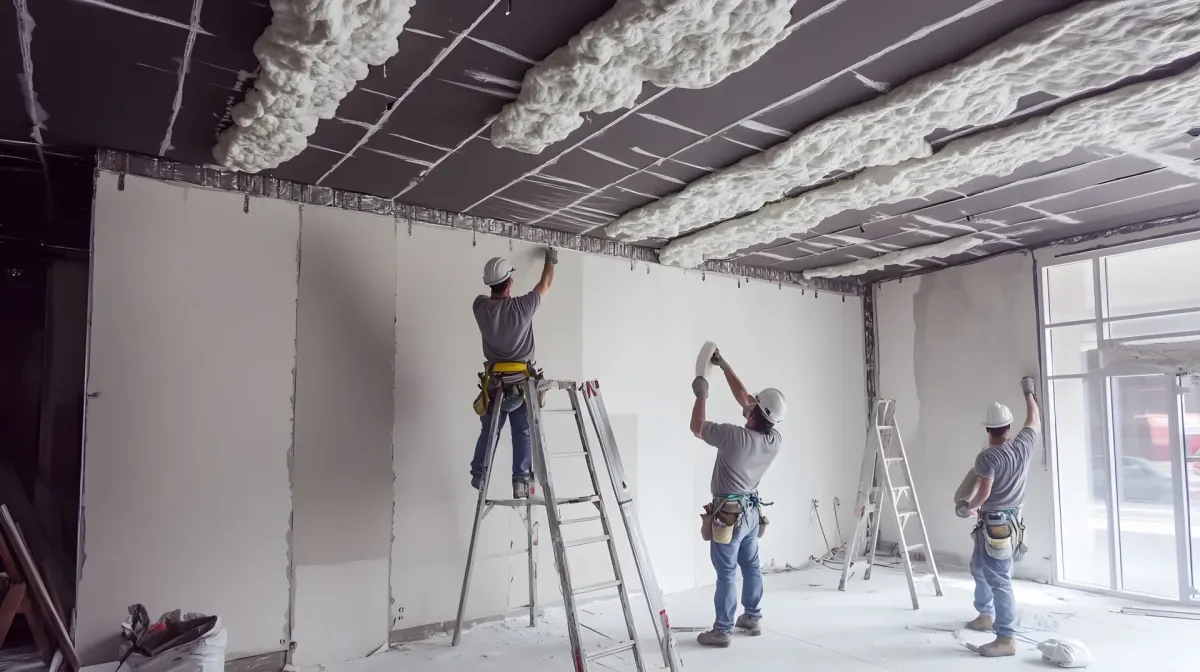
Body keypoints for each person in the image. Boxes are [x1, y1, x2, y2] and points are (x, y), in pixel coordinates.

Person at [689, 348, 787, 648]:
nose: (748, 405)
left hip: (728, 515)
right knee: (751, 565)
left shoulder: (734, 436)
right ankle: (752, 616)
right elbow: (747, 399)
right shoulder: (773, 439)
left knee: (726, 572)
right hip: (750, 512)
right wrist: (725, 367)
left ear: (755, 414)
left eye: (753, 406)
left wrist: (701, 394)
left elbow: (697, 427)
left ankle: (722, 630)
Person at [955, 376, 1040, 658]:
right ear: (1008, 426)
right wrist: (1029, 393)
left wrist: (968, 506)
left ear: (988, 429)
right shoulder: (1023, 444)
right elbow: (1033, 419)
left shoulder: (988, 457)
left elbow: (984, 493)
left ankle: (1006, 638)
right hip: (1010, 521)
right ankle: (985, 615)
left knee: (1000, 580)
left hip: (996, 525)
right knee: (979, 567)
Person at [469, 247, 556, 499]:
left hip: (495, 385)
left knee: (490, 431)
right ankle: (520, 482)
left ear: (489, 284)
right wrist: (550, 259)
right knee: (523, 431)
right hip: (521, 385)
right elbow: (546, 282)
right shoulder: (523, 307)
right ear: (510, 281)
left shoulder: (479, 307)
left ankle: (479, 475)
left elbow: (490, 299)